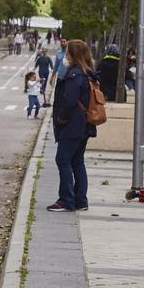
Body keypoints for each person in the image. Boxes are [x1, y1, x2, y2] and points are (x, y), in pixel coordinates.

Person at [48, 40, 99, 212]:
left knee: (62, 159)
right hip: (84, 124)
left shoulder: (75, 75)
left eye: (68, 53)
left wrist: (61, 118)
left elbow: (69, 101)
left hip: (73, 125)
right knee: (77, 161)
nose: (65, 56)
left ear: (73, 55)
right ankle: (81, 200)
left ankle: (66, 200)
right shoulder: (87, 73)